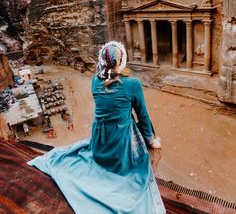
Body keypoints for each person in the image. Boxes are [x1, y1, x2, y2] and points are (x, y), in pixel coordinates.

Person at [28, 41, 165, 214]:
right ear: (121, 62)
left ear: (101, 60)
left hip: (100, 140)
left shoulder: (94, 81)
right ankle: (150, 145)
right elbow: (143, 116)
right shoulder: (133, 84)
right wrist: (151, 141)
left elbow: (110, 100)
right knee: (145, 127)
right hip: (121, 141)